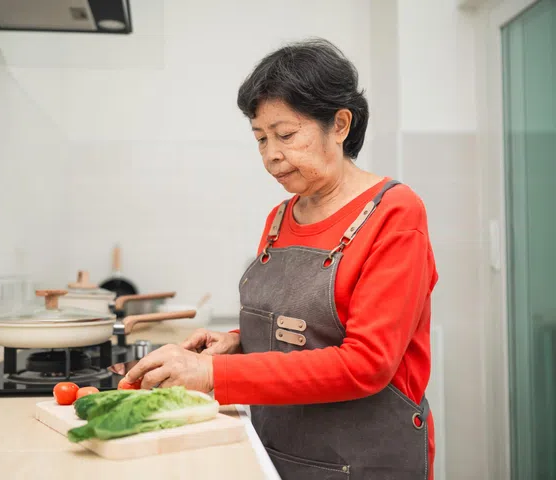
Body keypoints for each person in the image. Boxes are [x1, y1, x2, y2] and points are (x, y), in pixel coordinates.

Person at [123, 38, 438, 480]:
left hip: (364, 462)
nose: (271, 155)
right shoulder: (281, 216)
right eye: (260, 138)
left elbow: (366, 364)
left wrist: (214, 372)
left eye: (286, 135)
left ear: (340, 124)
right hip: (275, 452)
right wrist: (238, 340)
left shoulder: (396, 213)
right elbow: (303, 328)